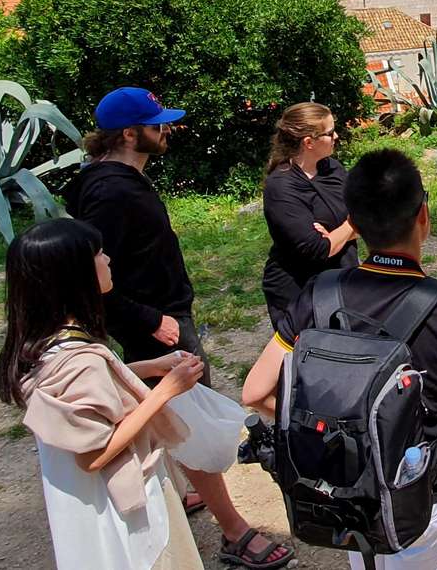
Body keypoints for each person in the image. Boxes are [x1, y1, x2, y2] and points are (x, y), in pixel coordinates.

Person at [241, 148, 437, 570]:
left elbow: (255, 392)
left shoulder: (319, 293)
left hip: (345, 486)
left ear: (353, 223)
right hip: (422, 494)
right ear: (423, 215)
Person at [67, 86, 293, 569]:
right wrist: (150, 320)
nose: (166, 129)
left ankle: (181, 489)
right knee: (188, 422)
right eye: (156, 124)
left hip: (160, 315)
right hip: (158, 323)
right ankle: (235, 533)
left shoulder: (116, 179)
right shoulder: (109, 192)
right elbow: (92, 276)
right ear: (130, 134)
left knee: (163, 412)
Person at [0, 218, 210, 570]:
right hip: (126, 520)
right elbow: (95, 454)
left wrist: (150, 367)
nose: (108, 259)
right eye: (98, 253)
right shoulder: (81, 362)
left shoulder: (47, 345)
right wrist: (164, 392)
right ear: (74, 275)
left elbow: (96, 391)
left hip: (84, 509)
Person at [260, 101, 358, 333]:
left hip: (342, 280)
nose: (336, 136)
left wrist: (335, 235)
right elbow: (317, 249)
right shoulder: (281, 186)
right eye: (330, 133)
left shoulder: (332, 168)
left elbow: (368, 214)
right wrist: (351, 226)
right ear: (309, 142)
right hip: (299, 292)